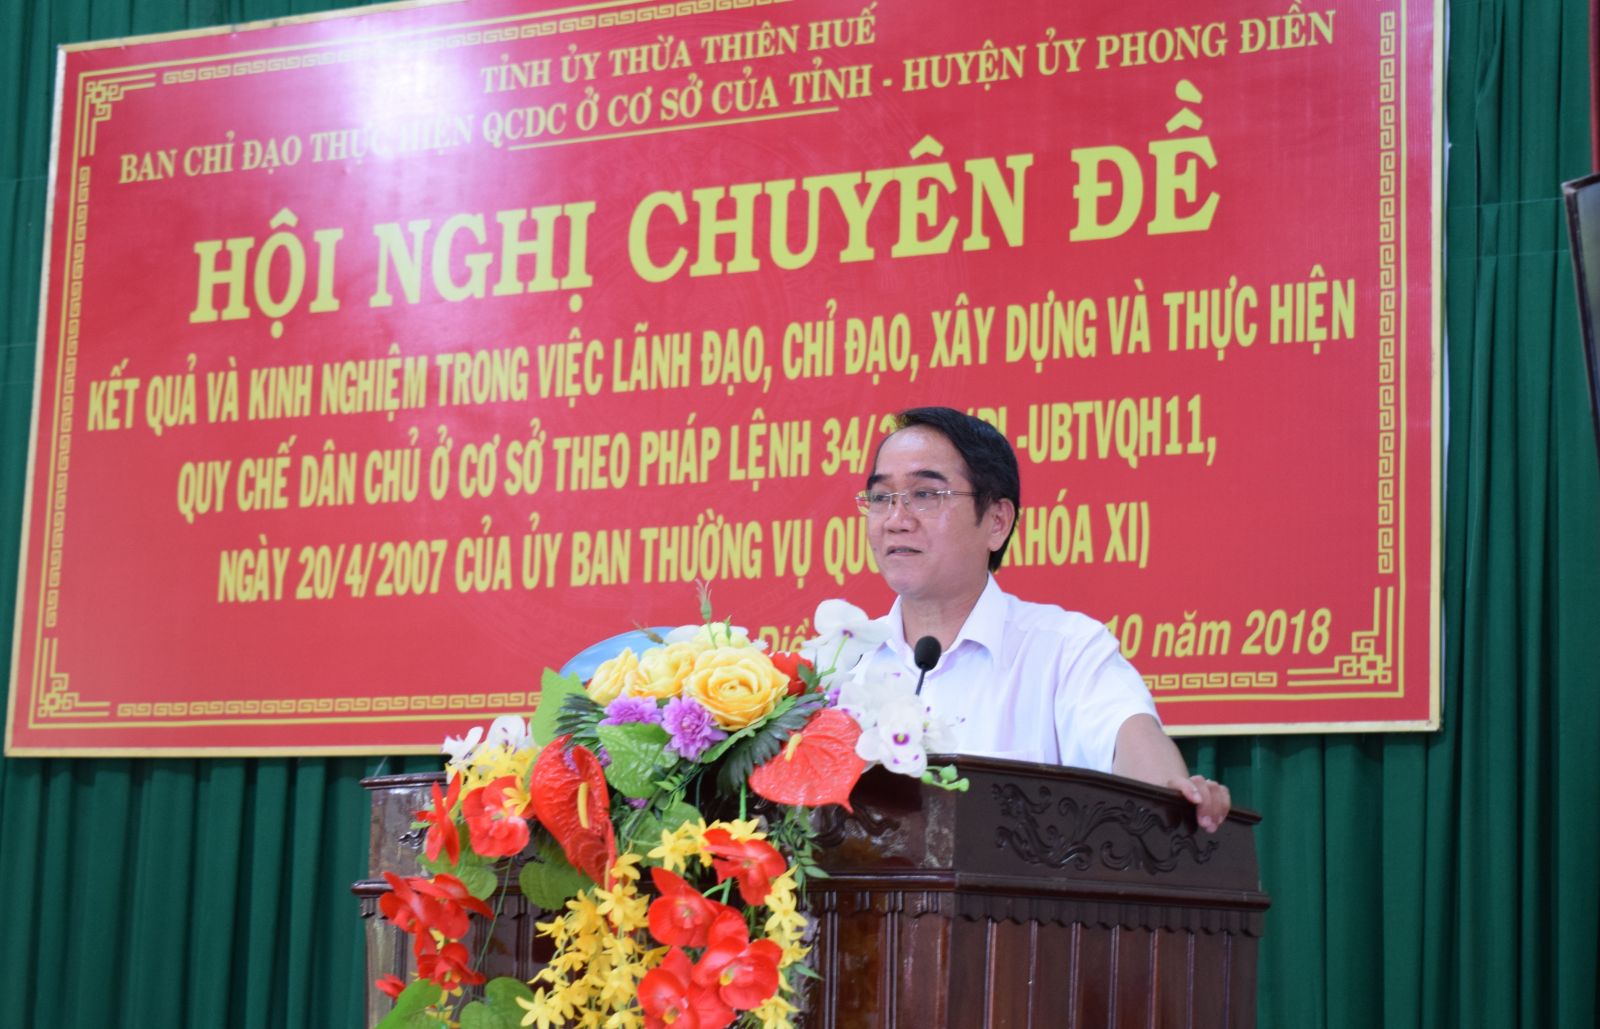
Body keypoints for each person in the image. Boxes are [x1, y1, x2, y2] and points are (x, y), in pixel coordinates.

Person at [853, 406, 1232, 833]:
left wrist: (1170, 794)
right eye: (881, 498)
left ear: (997, 522)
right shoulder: (842, 666)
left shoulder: (1065, 650)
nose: (896, 520)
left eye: (925, 494)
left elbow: (1128, 737)